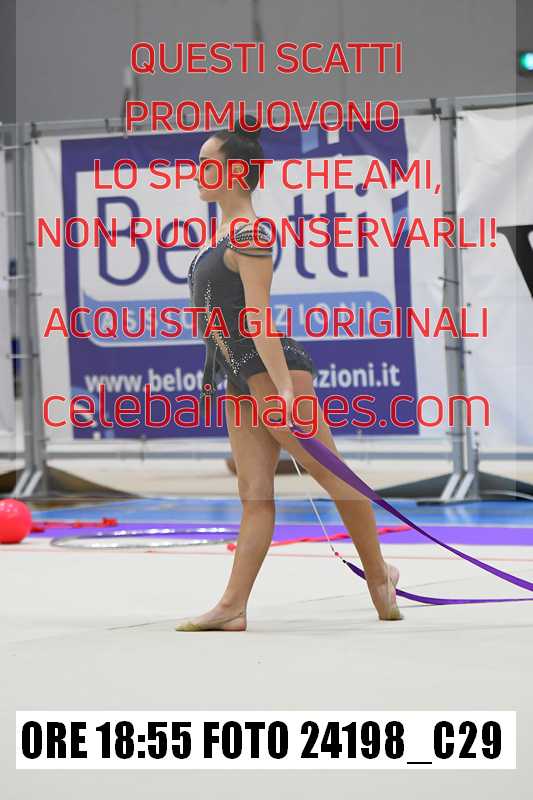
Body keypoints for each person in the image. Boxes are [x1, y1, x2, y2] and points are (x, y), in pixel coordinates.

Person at [176, 117, 402, 631]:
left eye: (206, 164)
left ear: (236, 173)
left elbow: (258, 316)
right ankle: (233, 606)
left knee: (331, 472)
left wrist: (282, 390)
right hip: (238, 374)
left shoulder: (251, 232)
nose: (196, 173)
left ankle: (378, 577)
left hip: (271, 370)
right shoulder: (223, 234)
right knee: (254, 492)